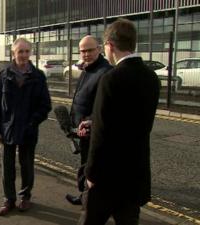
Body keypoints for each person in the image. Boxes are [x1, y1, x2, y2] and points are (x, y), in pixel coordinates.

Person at [79, 18, 160, 225]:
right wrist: (94, 122)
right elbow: (130, 122)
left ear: (110, 46)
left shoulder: (111, 78)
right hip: (134, 175)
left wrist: (91, 173)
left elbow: (102, 134)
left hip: (107, 177)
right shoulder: (151, 78)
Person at [0, 37, 52, 216]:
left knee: (27, 165)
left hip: (28, 129)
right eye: (20, 52)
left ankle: (25, 197)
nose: (24, 55)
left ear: (30, 52)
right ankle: (8, 199)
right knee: (7, 166)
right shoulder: (4, 75)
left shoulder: (38, 76)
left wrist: (33, 122)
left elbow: (45, 105)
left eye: (26, 51)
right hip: (7, 128)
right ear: (13, 53)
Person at [65, 35, 112, 205]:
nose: (86, 54)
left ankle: (92, 202)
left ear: (99, 49)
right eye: (83, 51)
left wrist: (89, 121)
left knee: (91, 167)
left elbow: (105, 106)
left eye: (90, 50)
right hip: (82, 129)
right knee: (85, 164)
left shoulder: (105, 72)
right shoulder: (87, 69)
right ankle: (85, 197)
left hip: (93, 129)